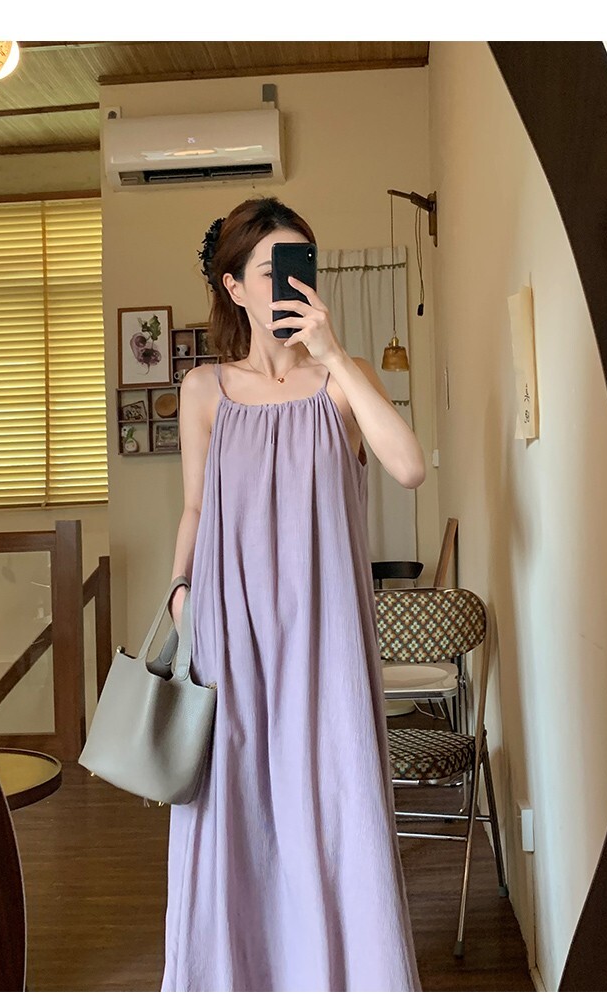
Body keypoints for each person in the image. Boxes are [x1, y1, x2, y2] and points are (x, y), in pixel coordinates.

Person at [161, 196, 426, 991]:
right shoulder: (204, 389)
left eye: (300, 265)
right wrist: (179, 592)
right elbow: (196, 507)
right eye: (271, 268)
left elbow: (409, 467)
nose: (289, 283)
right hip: (229, 633)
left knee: (334, 803)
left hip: (324, 634)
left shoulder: (343, 381)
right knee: (233, 811)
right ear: (234, 286)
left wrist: (334, 353)